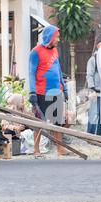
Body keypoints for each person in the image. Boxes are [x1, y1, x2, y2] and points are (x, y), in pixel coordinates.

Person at [28, 24, 70, 158]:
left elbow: (58, 70)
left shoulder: (55, 51)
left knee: (58, 121)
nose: (58, 39)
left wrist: (65, 87)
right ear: (50, 37)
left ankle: (60, 149)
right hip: (41, 92)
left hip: (56, 91)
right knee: (39, 122)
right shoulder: (35, 52)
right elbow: (31, 72)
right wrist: (32, 92)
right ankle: (36, 150)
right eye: (56, 37)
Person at [86, 37, 101, 136]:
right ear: (99, 45)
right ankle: (90, 136)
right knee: (93, 114)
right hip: (95, 91)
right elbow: (89, 75)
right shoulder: (93, 59)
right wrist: (92, 89)